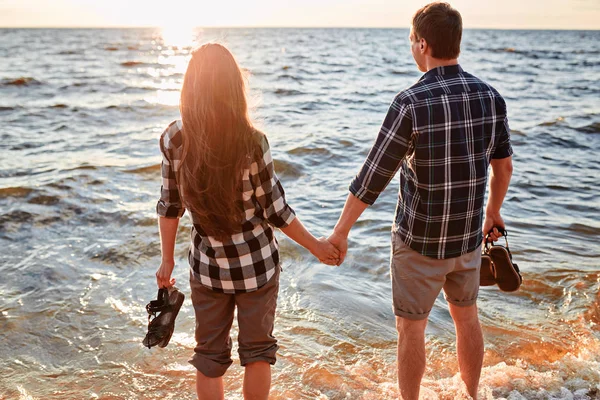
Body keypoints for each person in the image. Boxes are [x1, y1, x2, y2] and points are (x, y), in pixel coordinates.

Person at [327, 3, 513, 399]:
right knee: (468, 320)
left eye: (412, 40)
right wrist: (492, 213)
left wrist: (340, 232)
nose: (412, 47)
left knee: (411, 329)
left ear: (423, 44)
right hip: (467, 241)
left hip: (419, 243)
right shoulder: (491, 98)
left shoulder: (410, 102)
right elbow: (504, 168)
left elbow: (372, 177)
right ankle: (473, 394)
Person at [154, 43, 339, 400]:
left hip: (207, 268)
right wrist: (317, 246)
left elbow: (169, 205)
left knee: (209, 356)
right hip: (257, 268)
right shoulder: (252, 141)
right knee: (258, 353)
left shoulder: (174, 137)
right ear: (233, 88)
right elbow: (276, 210)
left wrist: (166, 259)